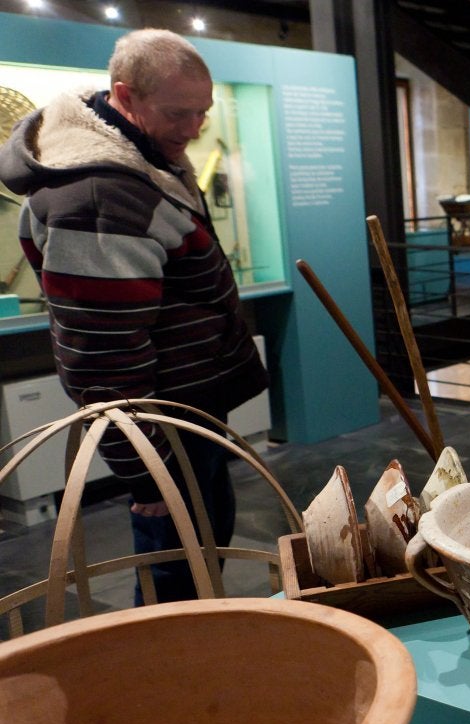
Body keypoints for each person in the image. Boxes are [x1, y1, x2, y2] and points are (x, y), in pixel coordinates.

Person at [0, 29, 268, 603]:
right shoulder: (98, 194)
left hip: (187, 408)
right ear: (125, 94)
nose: (195, 128)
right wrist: (146, 472)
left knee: (201, 553)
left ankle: (200, 673)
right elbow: (101, 355)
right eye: (178, 112)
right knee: (175, 575)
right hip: (161, 426)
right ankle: (170, 685)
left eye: (204, 112)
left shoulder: (146, 159)